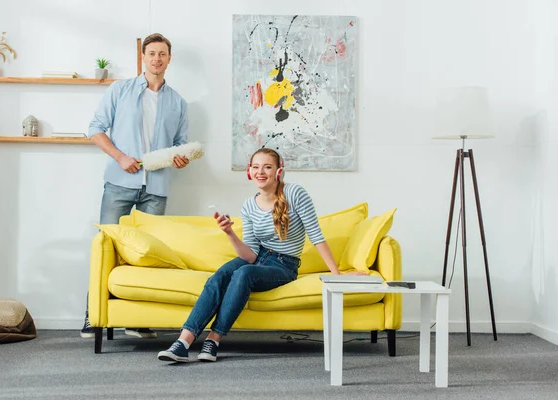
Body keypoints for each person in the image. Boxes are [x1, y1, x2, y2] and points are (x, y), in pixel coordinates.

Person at [158, 148, 366, 362]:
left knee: (244, 274)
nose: (261, 172)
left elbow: (315, 234)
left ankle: (214, 339)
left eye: (267, 167)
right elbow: (250, 255)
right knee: (219, 276)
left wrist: (337, 274)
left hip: (284, 264)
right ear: (249, 172)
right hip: (257, 258)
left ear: (278, 171)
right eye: (256, 167)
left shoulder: (295, 193)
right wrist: (229, 233)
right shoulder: (249, 206)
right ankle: (183, 343)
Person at [81, 33, 190, 339]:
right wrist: (119, 157)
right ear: (143, 57)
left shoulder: (178, 102)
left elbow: (180, 145)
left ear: (169, 59)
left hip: (156, 188)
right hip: (119, 182)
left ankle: (136, 318)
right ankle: (93, 315)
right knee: (106, 247)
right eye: (152, 53)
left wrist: (180, 158)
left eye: (162, 54)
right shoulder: (120, 90)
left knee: (147, 254)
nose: (157, 58)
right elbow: (95, 128)